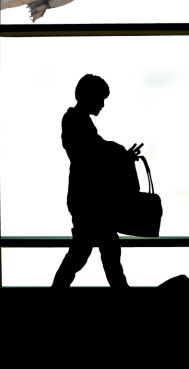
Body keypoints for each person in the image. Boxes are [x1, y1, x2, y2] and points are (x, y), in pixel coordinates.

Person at [52, 74, 141, 288]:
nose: (102, 104)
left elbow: (96, 152)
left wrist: (119, 154)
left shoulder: (76, 120)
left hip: (87, 200)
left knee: (89, 252)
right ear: (88, 96)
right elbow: (95, 152)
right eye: (100, 99)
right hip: (89, 202)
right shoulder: (76, 121)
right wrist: (121, 154)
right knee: (101, 253)